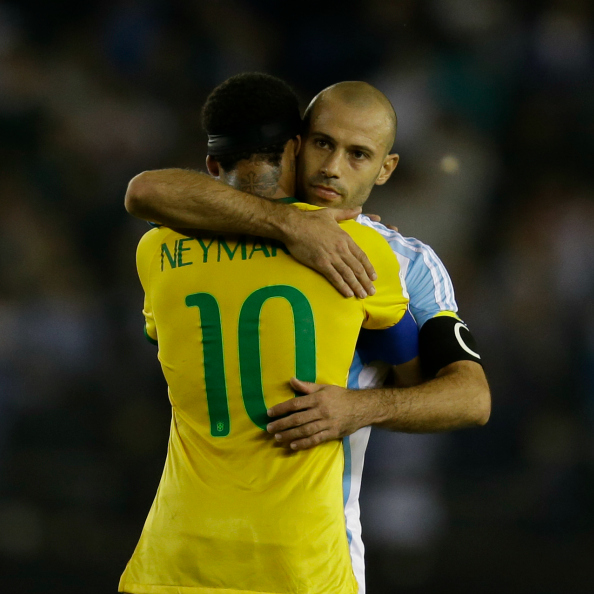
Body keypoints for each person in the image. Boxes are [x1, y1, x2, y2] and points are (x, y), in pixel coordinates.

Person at [124, 73, 491, 593]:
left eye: (357, 154)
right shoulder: (363, 255)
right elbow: (148, 190)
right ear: (297, 144)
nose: (332, 167)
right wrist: (289, 224)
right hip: (297, 561)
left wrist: (355, 407)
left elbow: (470, 397)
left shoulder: (404, 261)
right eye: (323, 143)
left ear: (386, 169)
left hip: (255, 547)